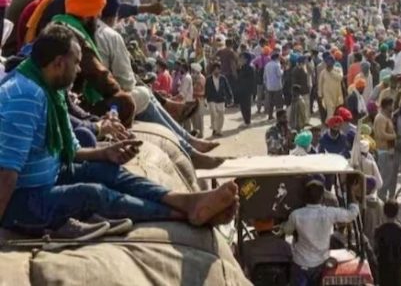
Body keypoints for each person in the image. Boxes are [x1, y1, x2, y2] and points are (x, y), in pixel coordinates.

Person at [0, 25, 238, 239]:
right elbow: (7, 174)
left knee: (109, 172)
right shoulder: (25, 96)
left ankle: (183, 201)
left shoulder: (50, 88)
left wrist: (105, 154)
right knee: (92, 194)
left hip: (49, 176)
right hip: (20, 200)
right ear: (59, 63)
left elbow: (70, 149)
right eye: (76, 63)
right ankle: (179, 214)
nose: (79, 70)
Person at [283, 176, 360, 286]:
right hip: (321, 264)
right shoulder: (329, 213)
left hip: (300, 264)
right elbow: (352, 214)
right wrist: (351, 192)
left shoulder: (296, 215)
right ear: (322, 197)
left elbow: (287, 231)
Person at [374, 200, 401, 286]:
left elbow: (376, 250)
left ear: (384, 213)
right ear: (397, 213)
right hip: (397, 268)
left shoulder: (379, 230)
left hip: (383, 268)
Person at [374, 97, 397, 200]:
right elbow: (381, 135)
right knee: (385, 177)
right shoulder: (381, 118)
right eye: (391, 105)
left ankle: (384, 197)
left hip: (389, 151)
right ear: (386, 106)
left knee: (388, 177)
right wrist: (395, 136)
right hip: (383, 151)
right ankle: (381, 198)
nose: (392, 107)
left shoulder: (386, 117)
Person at [205, 62, 232, 137]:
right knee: (214, 114)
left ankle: (219, 130)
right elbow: (206, 89)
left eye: (218, 69)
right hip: (212, 99)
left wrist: (230, 97)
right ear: (212, 70)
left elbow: (227, 87)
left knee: (221, 115)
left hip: (221, 99)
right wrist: (205, 99)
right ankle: (215, 128)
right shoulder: (209, 79)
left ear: (220, 70)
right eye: (215, 69)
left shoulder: (223, 78)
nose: (216, 71)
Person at [236, 52, 255, 125]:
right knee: (243, 106)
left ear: (246, 60)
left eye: (242, 58)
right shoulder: (242, 68)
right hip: (242, 90)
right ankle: (246, 120)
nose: (240, 60)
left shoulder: (249, 68)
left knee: (246, 106)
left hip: (246, 91)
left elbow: (251, 81)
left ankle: (247, 121)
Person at [264, 53, 284, 121]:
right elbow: (279, 74)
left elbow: (265, 76)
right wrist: (282, 70)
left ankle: (270, 116)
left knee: (271, 102)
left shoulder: (267, 65)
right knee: (279, 102)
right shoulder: (277, 65)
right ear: (276, 58)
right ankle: (279, 117)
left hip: (269, 86)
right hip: (277, 86)